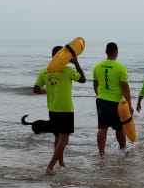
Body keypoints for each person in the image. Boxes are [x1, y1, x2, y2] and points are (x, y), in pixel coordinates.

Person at [33, 46, 86, 175]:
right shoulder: (67, 70)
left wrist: (46, 91)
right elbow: (83, 79)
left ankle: (61, 162)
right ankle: (50, 167)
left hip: (52, 109)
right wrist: (76, 63)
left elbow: (35, 89)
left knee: (57, 137)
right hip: (66, 109)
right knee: (64, 140)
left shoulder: (45, 71)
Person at [92, 42, 131, 156]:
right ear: (116, 52)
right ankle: (123, 150)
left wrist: (99, 95)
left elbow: (95, 84)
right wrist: (129, 104)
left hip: (101, 100)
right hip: (116, 102)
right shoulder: (120, 67)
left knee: (102, 128)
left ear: (106, 52)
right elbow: (124, 87)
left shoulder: (97, 66)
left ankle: (101, 154)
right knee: (119, 128)